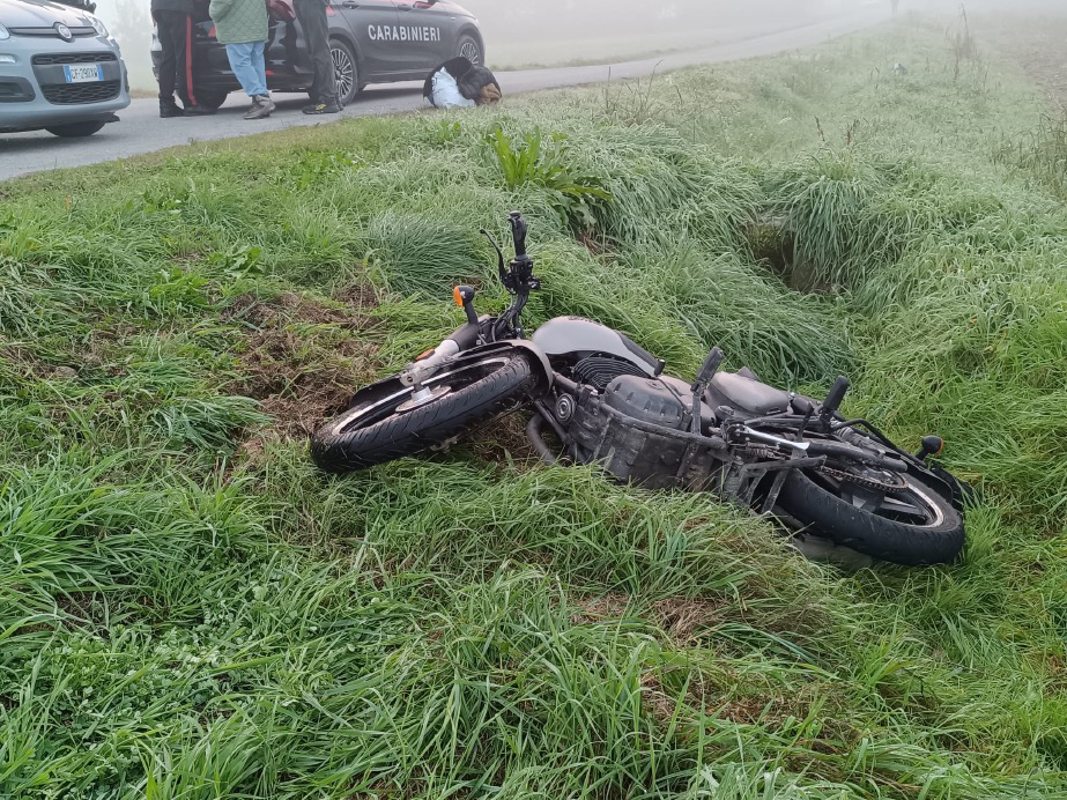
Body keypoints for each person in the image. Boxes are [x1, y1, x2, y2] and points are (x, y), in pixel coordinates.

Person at [208, 0, 275, 119]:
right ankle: (262, 97)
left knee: (240, 63)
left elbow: (222, 2)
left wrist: (213, 12)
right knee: (256, 62)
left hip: (237, 26)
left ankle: (260, 98)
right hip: (258, 23)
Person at [152, 0, 214, 117]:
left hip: (158, 8)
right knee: (186, 57)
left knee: (168, 57)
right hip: (179, 7)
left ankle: (166, 104)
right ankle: (190, 102)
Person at [294, 0, 340, 114]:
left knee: (319, 49)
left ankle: (328, 99)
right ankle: (332, 96)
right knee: (318, 49)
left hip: (311, 3)